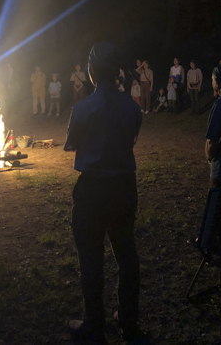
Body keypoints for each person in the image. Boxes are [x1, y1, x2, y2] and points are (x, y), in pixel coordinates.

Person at [64, 42, 144, 344]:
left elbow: (71, 144)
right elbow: (131, 140)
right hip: (124, 187)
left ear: (92, 71)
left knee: (91, 257)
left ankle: (94, 323)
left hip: (92, 189)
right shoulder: (133, 107)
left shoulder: (83, 108)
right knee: (126, 254)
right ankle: (128, 320)